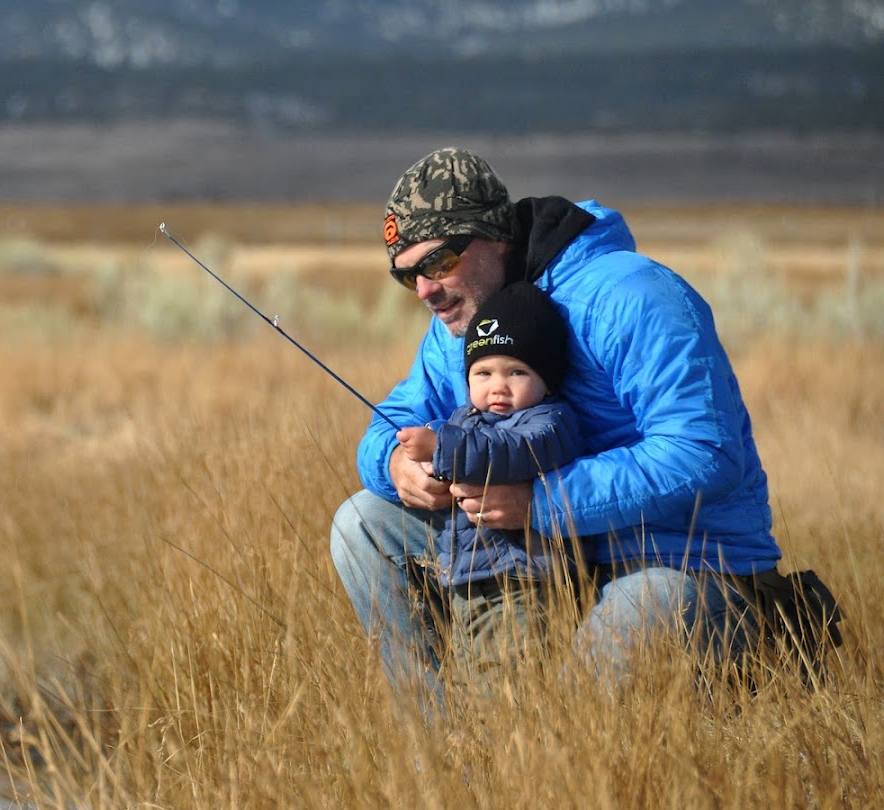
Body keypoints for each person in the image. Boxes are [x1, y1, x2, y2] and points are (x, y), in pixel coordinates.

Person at [330, 146, 789, 698]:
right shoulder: (465, 323)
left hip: (686, 569)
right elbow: (394, 419)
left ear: (494, 235)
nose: (426, 290)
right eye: (408, 278)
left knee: (606, 657)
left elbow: (704, 452)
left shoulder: (631, 296)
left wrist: (544, 504)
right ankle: (444, 760)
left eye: (439, 263)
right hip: (542, 568)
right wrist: (395, 462)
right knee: (361, 522)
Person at [394, 281, 587, 689]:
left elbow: (508, 450)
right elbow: (466, 443)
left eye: (516, 372)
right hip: (466, 583)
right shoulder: (465, 419)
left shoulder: (550, 423)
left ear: (547, 379)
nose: (498, 386)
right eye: (483, 373)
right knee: (471, 680)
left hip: (521, 585)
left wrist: (443, 447)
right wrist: (429, 462)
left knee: (510, 687)